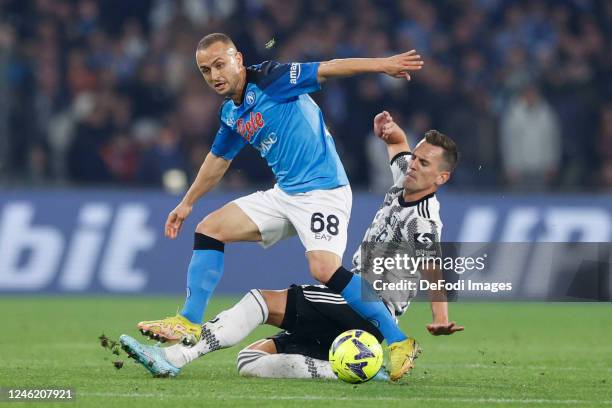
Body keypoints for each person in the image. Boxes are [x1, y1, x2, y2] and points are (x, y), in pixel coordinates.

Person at [137, 32, 425, 380]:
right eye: (205, 70)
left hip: (323, 190)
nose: (214, 75)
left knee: (323, 269)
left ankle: (397, 341)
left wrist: (382, 65)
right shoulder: (231, 111)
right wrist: (186, 204)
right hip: (285, 194)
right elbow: (217, 160)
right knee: (209, 228)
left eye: (219, 64)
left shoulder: (273, 78)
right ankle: (190, 321)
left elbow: (328, 68)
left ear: (238, 59)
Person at [121, 111, 463, 380]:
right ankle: (352, 369)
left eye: (424, 164)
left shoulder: (424, 220)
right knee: (251, 360)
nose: (414, 166)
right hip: (346, 309)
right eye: (416, 158)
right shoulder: (406, 176)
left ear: (441, 178)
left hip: (368, 307)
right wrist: (392, 132)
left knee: (261, 301)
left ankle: (173, 358)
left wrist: (441, 315)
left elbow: (432, 265)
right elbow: (399, 150)